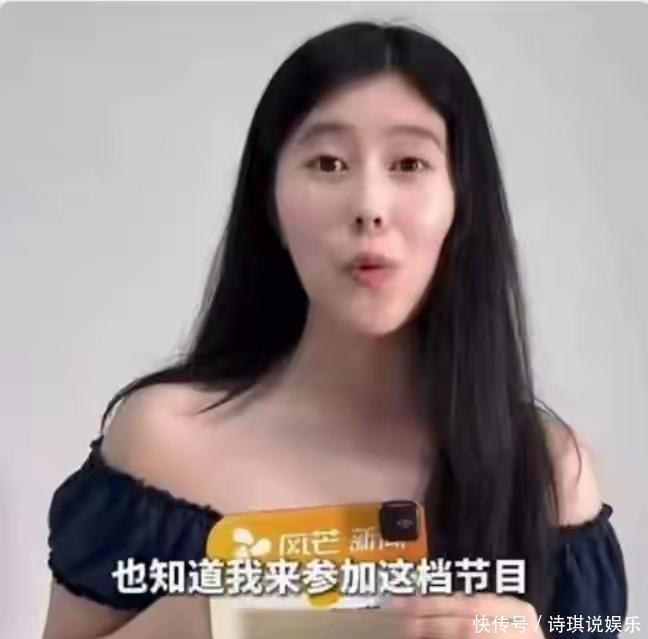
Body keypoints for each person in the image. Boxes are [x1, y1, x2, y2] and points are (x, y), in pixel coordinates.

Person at [42, 19, 627, 639]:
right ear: (270, 200)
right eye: (328, 163)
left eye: (409, 163)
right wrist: (206, 618)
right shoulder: (161, 443)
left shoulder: (548, 471)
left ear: (462, 201)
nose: (369, 206)